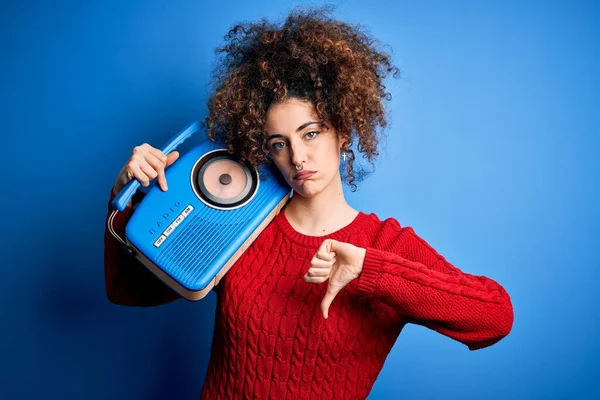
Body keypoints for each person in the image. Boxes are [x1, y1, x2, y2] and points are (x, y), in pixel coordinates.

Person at [104, 7, 514, 400]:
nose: (297, 157)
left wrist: (371, 270)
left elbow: (495, 316)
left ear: (343, 132)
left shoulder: (384, 246)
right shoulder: (240, 224)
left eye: (311, 133)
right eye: (278, 144)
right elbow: (126, 290)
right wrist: (128, 199)